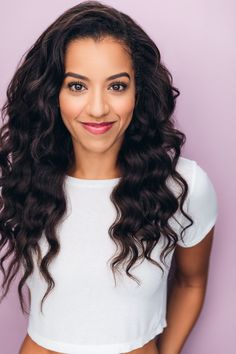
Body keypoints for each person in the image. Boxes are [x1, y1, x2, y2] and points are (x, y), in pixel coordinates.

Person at [0, 1, 218, 354]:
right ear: (52, 94)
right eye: (77, 86)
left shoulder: (183, 186)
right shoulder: (20, 179)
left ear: (138, 92)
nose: (98, 108)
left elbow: (191, 282)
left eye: (116, 86)